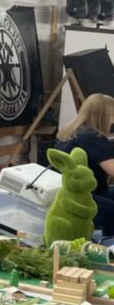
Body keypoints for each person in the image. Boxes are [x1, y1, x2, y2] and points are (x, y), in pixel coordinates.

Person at [54, 93, 114, 233]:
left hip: (65, 193)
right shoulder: (93, 137)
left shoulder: (69, 132)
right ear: (104, 115)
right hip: (83, 197)